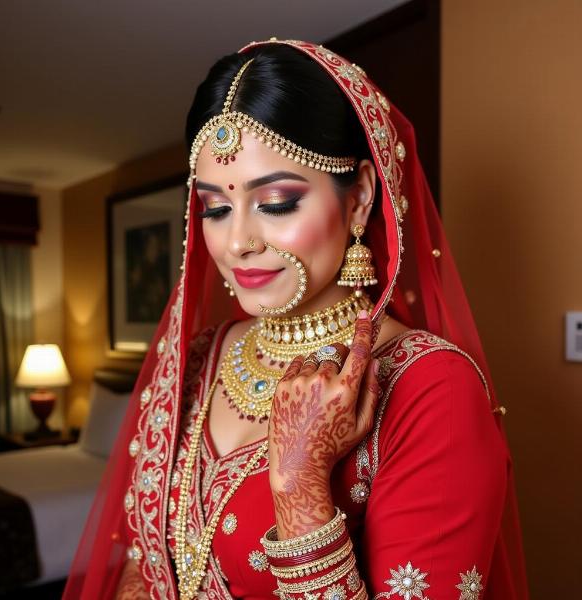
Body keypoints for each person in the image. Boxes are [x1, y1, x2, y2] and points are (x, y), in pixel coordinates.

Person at [64, 39, 529, 600]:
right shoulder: (199, 358)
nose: (237, 242)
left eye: (277, 202)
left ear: (358, 198)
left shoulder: (430, 389)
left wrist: (300, 485)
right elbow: (142, 566)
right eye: (214, 208)